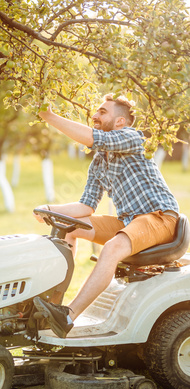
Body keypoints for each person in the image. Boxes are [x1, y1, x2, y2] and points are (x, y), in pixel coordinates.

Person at [33, 94, 179, 338]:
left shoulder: (133, 137)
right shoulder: (100, 160)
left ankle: (68, 315)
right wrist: (51, 209)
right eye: (96, 111)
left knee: (111, 248)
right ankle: (53, 308)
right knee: (69, 227)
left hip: (160, 217)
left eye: (102, 112)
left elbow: (91, 138)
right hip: (129, 222)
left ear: (120, 121)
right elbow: (86, 207)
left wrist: (48, 115)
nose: (96, 116)